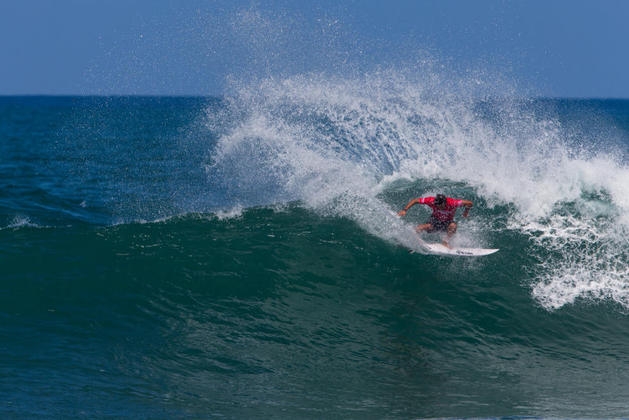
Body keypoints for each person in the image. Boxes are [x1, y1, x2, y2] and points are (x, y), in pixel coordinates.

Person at [398, 193, 473, 248]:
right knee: (419, 228)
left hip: (447, 223)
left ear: (444, 203)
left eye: (439, 205)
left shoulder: (453, 203)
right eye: (436, 205)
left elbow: (469, 203)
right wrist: (405, 210)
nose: (437, 207)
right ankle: (415, 241)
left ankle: (445, 242)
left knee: (453, 226)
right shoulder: (431, 201)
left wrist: (466, 211)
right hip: (435, 221)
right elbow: (415, 200)